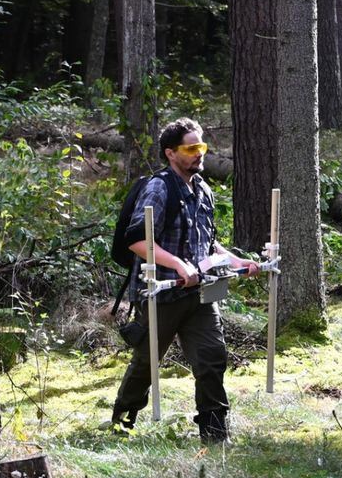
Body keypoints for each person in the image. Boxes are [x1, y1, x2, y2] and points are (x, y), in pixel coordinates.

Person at [111, 117, 259, 442]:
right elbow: (136, 239)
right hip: (161, 294)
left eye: (201, 147)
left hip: (202, 293)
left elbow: (207, 243)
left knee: (212, 357)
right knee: (147, 363)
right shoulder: (159, 187)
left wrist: (236, 261)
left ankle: (214, 429)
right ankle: (122, 419)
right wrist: (178, 265)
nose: (199, 154)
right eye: (191, 148)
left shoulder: (204, 190)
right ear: (171, 153)